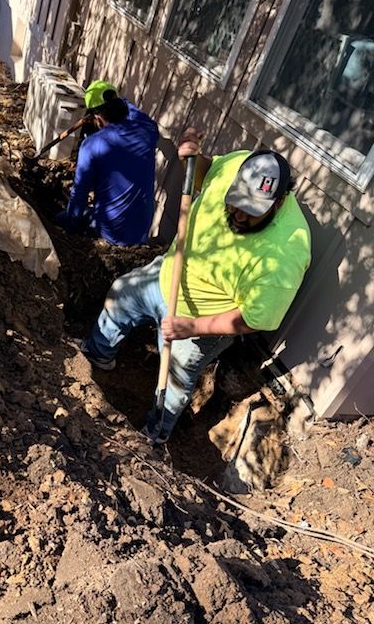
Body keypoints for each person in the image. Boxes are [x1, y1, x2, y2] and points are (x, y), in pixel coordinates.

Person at [77, 127, 312, 444]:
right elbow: (205, 173)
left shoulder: (286, 251)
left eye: (252, 211)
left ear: (279, 201)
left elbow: (254, 319)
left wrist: (192, 327)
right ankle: (94, 359)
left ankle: (154, 435)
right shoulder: (239, 163)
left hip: (205, 317)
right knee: (121, 295)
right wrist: (192, 158)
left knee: (173, 381)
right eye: (236, 202)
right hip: (168, 275)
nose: (239, 215)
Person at [55, 80, 159, 246]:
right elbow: (135, 112)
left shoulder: (92, 145)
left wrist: (70, 231)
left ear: (97, 117)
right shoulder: (148, 130)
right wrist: (119, 101)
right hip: (140, 231)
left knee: (59, 218)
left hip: (110, 232)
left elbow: (79, 195)